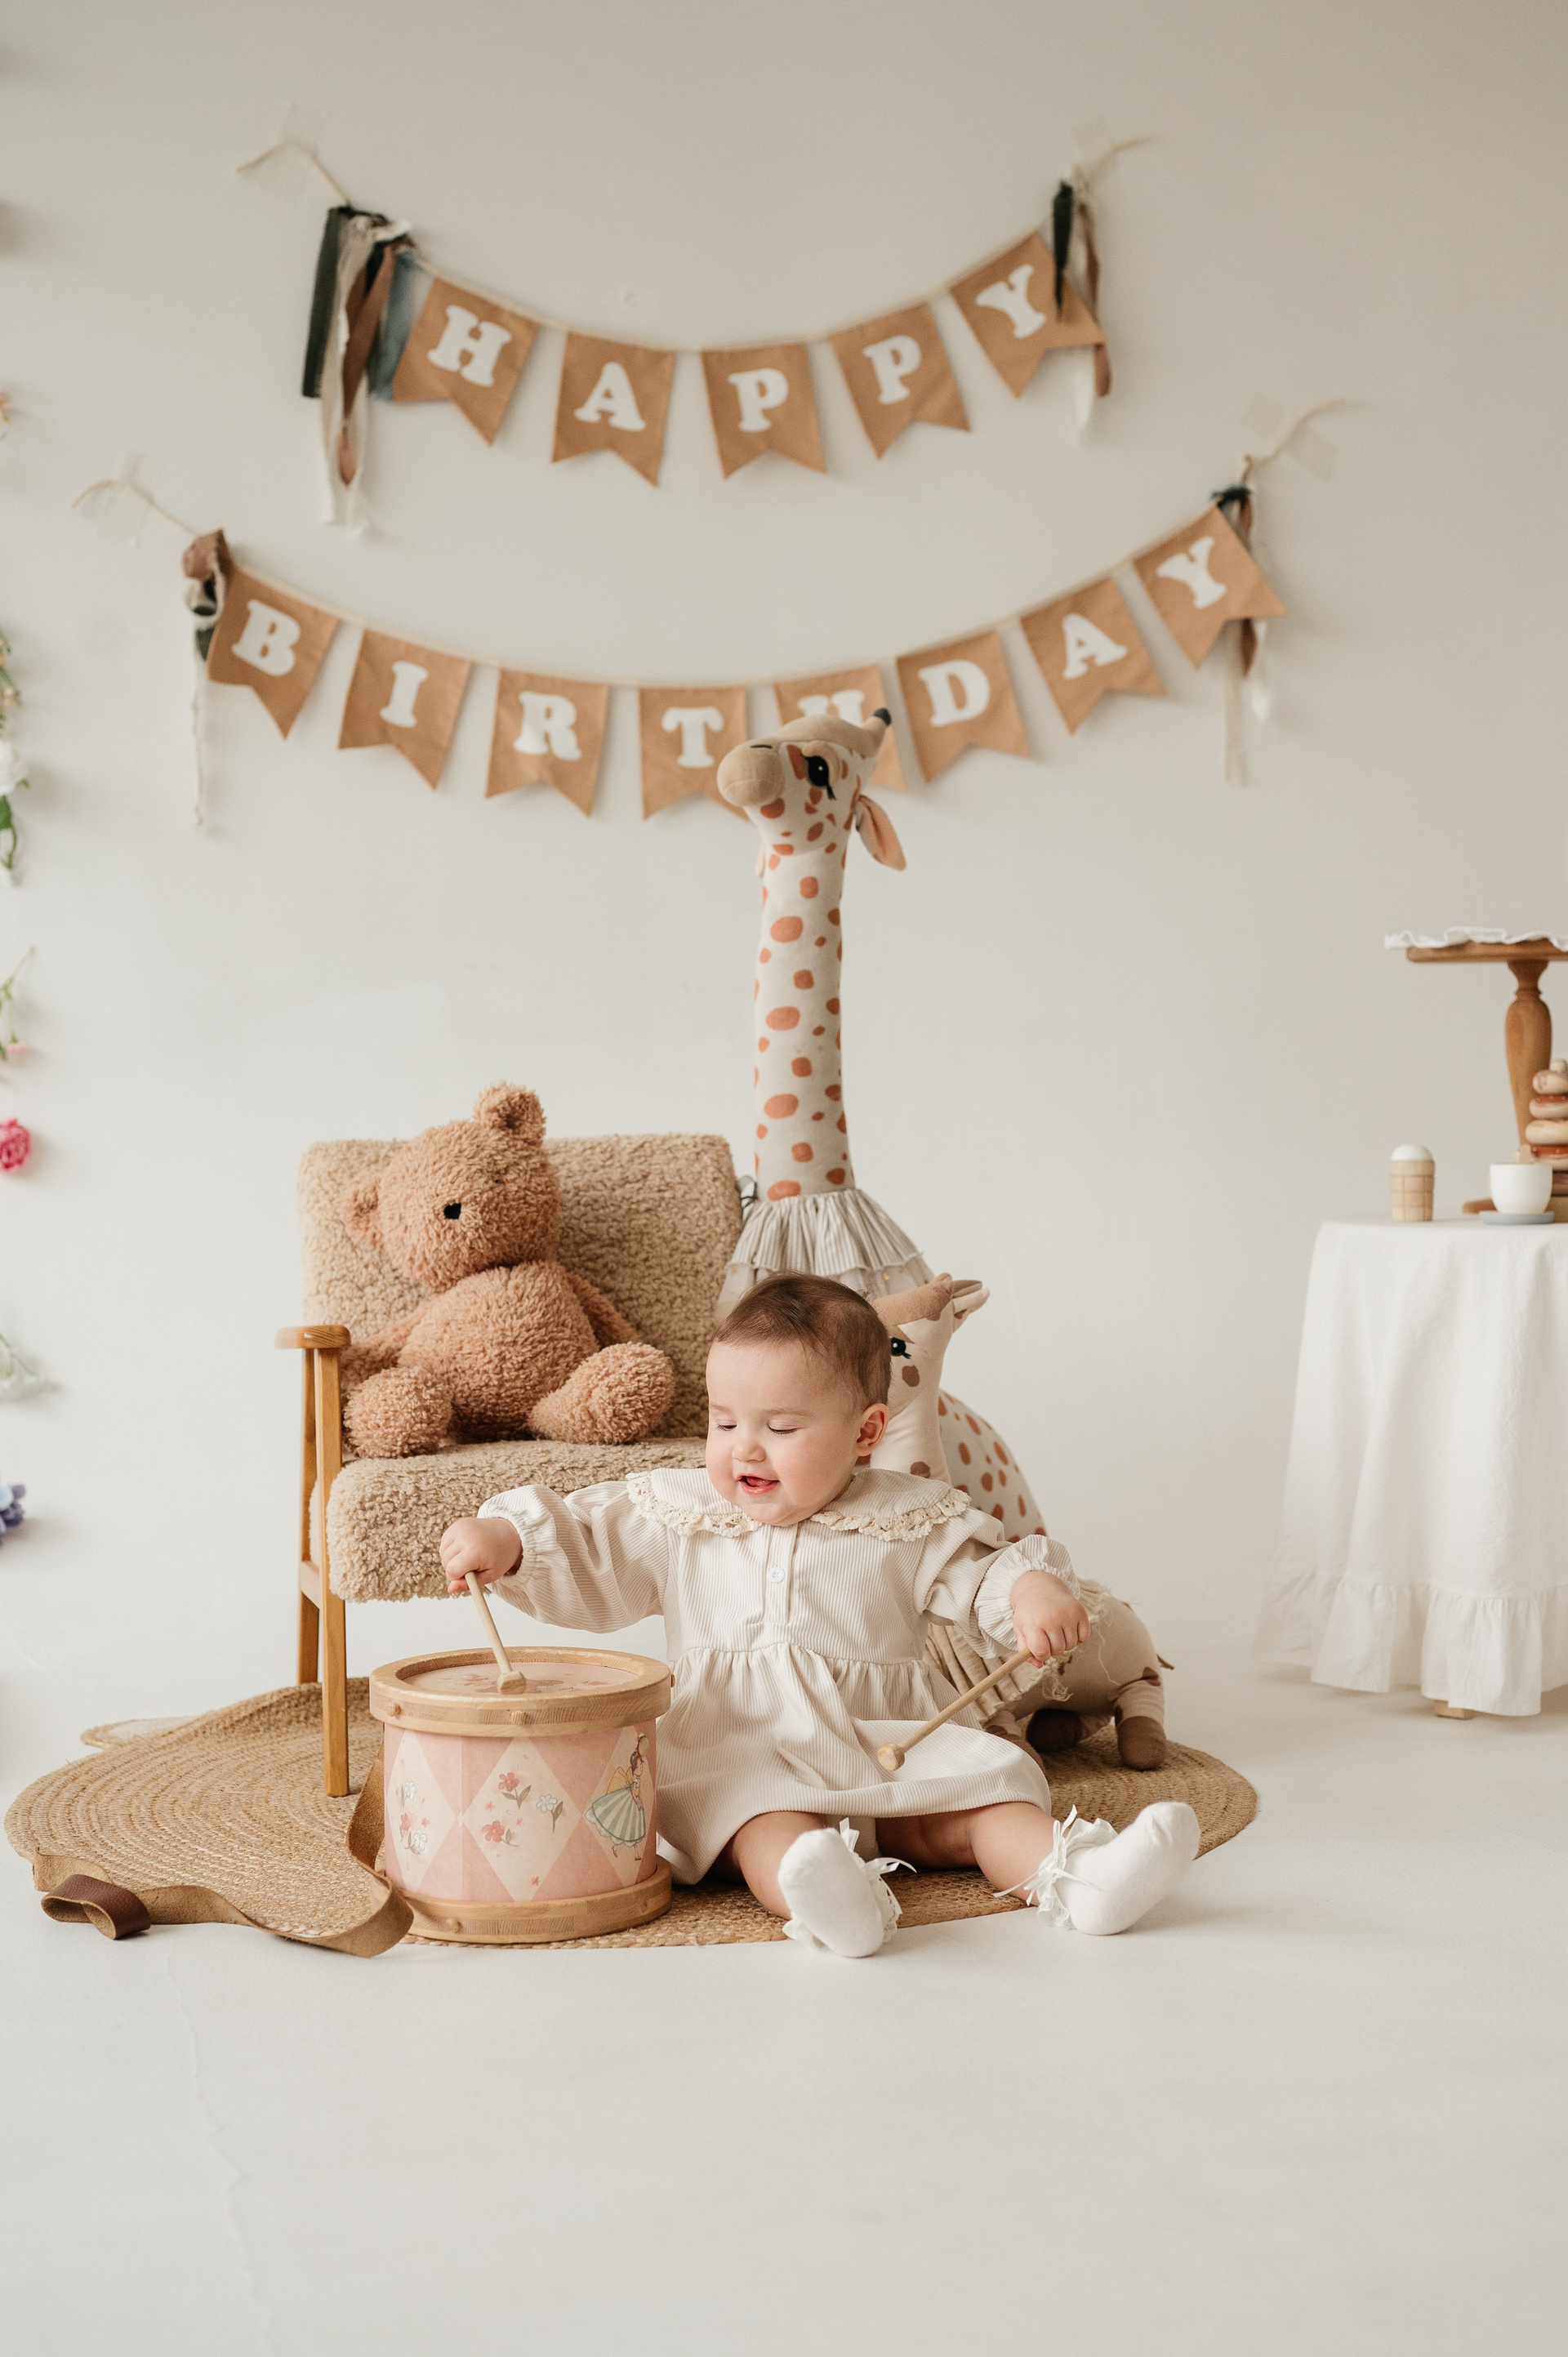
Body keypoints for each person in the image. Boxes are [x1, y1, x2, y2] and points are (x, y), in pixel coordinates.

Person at [440, 1275, 1199, 1958]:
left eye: (780, 1428)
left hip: (889, 1740)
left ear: (866, 1432)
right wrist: (508, 1541)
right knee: (765, 1827)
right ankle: (833, 1900)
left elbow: (978, 1574)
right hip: (742, 1742)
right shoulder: (678, 1514)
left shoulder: (906, 1516)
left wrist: (1028, 1591)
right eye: (725, 1422)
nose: (745, 1450)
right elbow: (587, 1541)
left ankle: (1081, 1877)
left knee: (982, 1799)